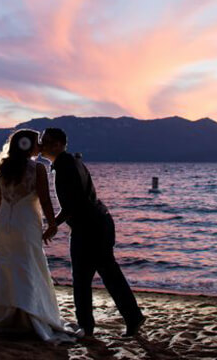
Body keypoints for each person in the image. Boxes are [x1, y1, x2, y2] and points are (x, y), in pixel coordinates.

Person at [0, 130, 79, 342]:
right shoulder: (37, 168)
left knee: (6, 262)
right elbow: (45, 200)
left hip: (6, 221)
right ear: (27, 145)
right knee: (28, 263)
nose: (40, 145)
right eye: (37, 142)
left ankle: (6, 315)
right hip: (27, 221)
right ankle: (30, 315)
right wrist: (52, 224)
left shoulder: (4, 167)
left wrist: (8, 215)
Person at [41, 127, 145, 337]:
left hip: (90, 227)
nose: (42, 144)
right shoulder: (71, 162)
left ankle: (88, 326)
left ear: (59, 144)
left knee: (84, 278)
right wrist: (55, 223)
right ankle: (129, 317)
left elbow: (73, 203)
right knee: (104, 274)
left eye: (47, 141)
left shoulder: (66, 166)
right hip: (97, 223)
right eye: (42, 141)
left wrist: (53, 225)